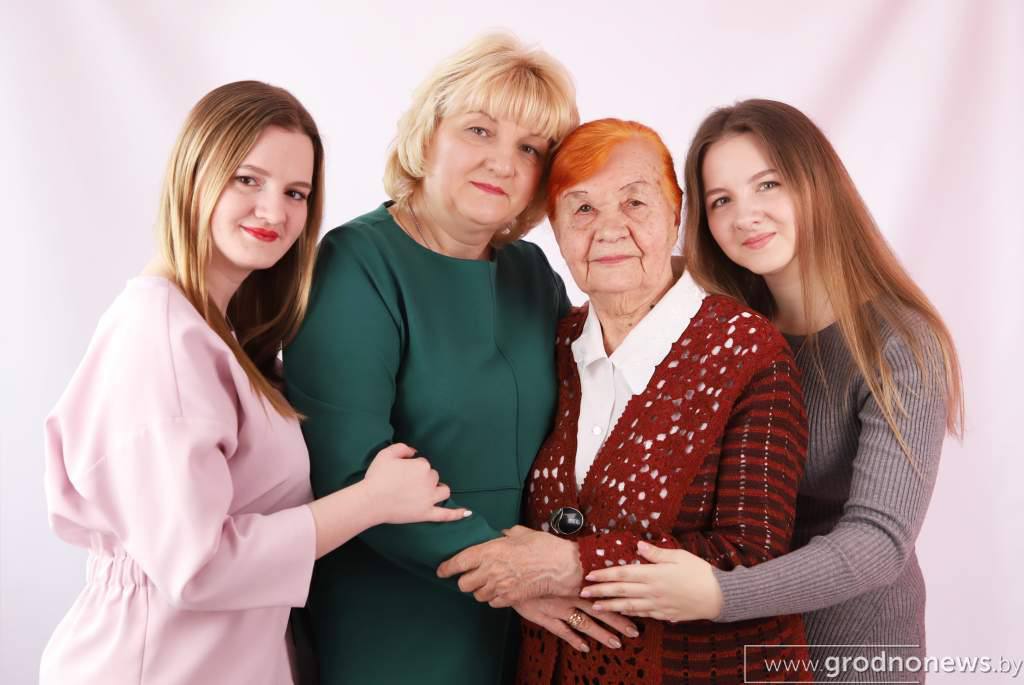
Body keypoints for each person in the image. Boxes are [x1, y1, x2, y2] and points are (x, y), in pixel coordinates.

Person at [39, 81, 465, 685]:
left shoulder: (218, 335)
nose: (274, 212)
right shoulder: (160, 338)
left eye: (296, 193)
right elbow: (197, 566)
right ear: (196, 173)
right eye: (248, 180)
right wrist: (370, 502)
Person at [282, 34, 635, 685]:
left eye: (530, 149)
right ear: (429, 134)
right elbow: (347, 469)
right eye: (480, 130)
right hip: (396, 615)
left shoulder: (531, 272)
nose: (503, 162)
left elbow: (588, 416)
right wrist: (508, 572)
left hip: (528, 616)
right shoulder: (356, 262)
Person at [583, 99, 965, 678]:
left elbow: (879, 541)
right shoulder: (722, 328)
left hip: (848, 651)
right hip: (728, 650)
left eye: (768, 185)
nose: (746, 217)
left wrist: (719, 595)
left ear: (818, 182)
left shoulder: (899, 343)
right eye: (721, 201)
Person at [437, 118, 813, 683]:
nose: (609, 229)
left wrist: (575, 564)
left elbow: (751, 555)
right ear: (556, 229)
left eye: (635, 202)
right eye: (583, 208)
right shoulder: (553, 344)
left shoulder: (748, 351)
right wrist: (524, 582)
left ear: (676, 213)